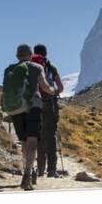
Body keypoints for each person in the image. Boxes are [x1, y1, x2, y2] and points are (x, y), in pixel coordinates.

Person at [2, 44, 55, 191]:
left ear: (17, 55)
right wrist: (53, 91)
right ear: (31, 54)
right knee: (32, 141)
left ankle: (28, 169)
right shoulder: (37, 67)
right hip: (33, 106)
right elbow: (44, 86)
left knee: (24, 142)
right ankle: (27, 174)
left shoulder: (10, 69)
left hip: (16, 109)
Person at [32, 44, 64, 178]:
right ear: (46, 53)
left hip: (34, 103)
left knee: (39, 135)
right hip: (49, 103)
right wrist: (53, 93)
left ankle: (39, 170)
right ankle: (51, 170)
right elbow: (61, 87)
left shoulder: (30, 66)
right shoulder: (50, 66)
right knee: (51, 135)